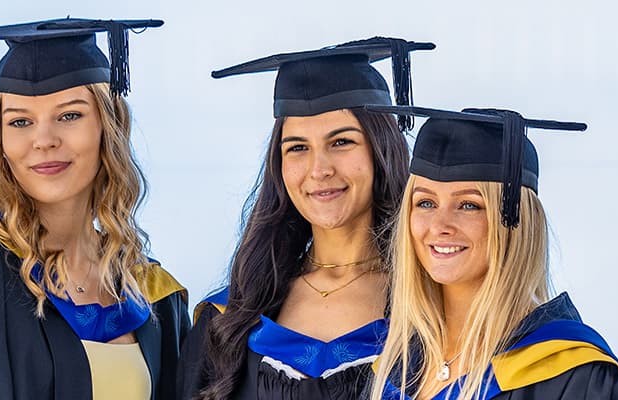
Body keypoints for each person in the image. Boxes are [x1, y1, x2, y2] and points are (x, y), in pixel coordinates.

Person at [0, 18, 189, 400]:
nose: (43, 140)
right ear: (3, 141)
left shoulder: (151, 295)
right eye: (21, 121)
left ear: (108, 127)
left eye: (69, 115)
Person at [180, 37, 430, 400]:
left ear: (381, 149)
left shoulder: (431, 304)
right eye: (297, 147)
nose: (319, 170)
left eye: (341, 142)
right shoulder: (228, 317)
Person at [363, 106, 618, 400]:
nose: (440, 225)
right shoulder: (396, 369)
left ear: (513, 221)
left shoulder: (574, 376)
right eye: (426, 203)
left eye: (469, 205)